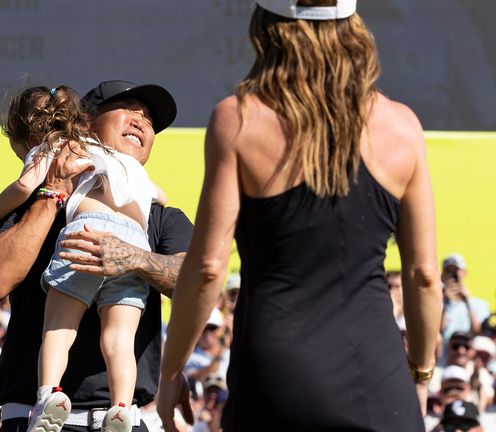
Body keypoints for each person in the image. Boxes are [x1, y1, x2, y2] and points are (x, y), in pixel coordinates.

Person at [157, 1, 442, 430]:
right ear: (354, 28)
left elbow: (209, 268)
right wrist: (420, 374)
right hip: (379, 380)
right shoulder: (402, 125)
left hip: (275, 376)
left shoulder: (238, 119)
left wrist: (171, 372)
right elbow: (423, 275)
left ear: (266, 29)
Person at [0, 80, 193, 432]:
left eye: (150, 119)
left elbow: (198, 284)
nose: (142, 120)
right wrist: (53, 194)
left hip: (122, 422)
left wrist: (133, 258)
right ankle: (51, 393)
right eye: (128, 108)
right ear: (87, 122)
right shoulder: (36, 201)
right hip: (35, 419)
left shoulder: (162, 216)